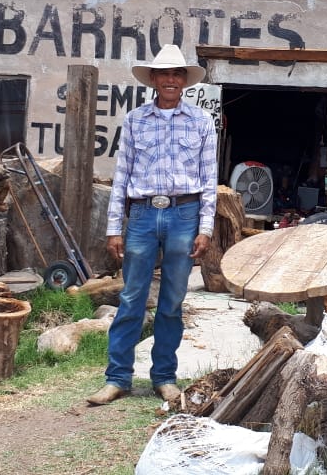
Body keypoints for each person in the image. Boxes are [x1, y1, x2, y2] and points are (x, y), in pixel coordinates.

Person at [87, 45, 217, 405]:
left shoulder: (201, 122)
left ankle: (163, 377)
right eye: (165, 74)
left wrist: (205, 228)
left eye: (177, 74)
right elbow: (121, 175)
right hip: (143, 215)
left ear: (185, 81)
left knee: (173, 301)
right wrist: (115, 227)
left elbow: (210, 179)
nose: (171, 80)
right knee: (131, 297)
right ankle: (117, 378)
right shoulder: (134, 121)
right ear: (154, 80)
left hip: (184, 216)